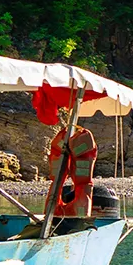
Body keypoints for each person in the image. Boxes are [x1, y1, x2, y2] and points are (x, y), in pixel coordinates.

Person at [35, 85, 98, 235]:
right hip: (65, 209)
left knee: (80, 185)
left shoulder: (83, 137)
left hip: (65, 208)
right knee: (82, 186)